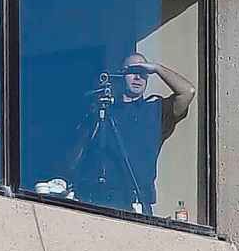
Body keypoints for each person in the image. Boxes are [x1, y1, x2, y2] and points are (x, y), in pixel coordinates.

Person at [70, 52, 195, 215]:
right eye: (132, 71)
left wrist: (156, 68)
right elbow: (77, 155)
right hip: (97, 201)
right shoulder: (103, 110)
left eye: (143, 73)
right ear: (121, 75)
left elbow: (188, 92)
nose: (138, 77)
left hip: (136, 203)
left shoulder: (155, 110)